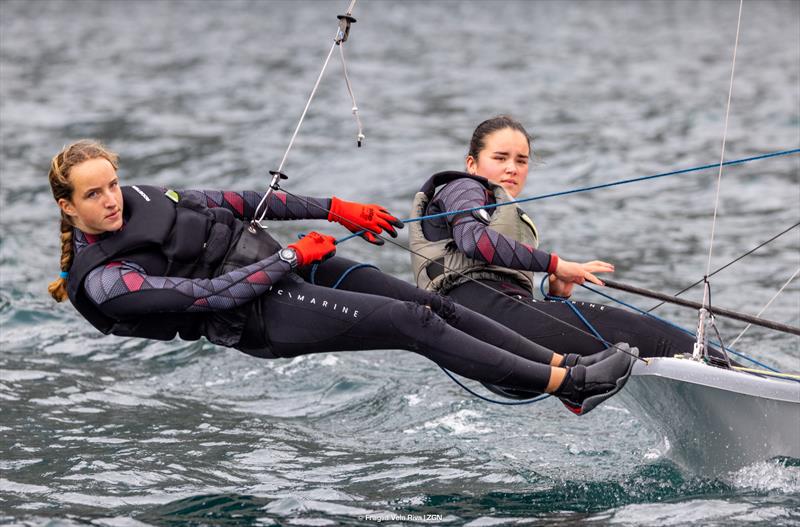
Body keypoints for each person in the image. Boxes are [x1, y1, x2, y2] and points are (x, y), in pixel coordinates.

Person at [47, 140, 636, 415]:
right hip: (257, 316)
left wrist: (334, 208)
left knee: (430, 306)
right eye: (92, 195)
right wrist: (292, 257)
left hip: (289, 263)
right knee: (409, 322)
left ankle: (558, 370)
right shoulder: (106, 281)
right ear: (69, 207)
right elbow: (208, 295)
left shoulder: (146, 196)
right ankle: (570, 388)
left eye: (112, 186)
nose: (111, 201)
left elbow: (242, 201)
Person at [408, 115, 716, 378]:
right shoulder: (464, 187)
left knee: (626, 351)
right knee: (646, 334)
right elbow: (473, 241)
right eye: (500, 158)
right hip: (480, 318)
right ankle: (736, 374)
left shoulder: (492, 205)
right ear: (472, 163)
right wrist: (556, 264)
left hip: (487, 334)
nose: (512, 168)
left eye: (521, 160)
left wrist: (555, 292)